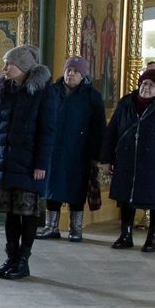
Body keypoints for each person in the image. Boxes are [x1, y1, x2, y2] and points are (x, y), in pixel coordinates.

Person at [0, 44, 53, 279]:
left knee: (28, 213)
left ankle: (23, 260)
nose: (4, 68)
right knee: (10, 214)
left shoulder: (42, 93)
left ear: (22, 66)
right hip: (6, 161)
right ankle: (11, 257)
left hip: (30, 164)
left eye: (9, 64)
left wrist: (41, 164)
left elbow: (47, 131)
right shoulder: (3, 90)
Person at [103, 67, 155, 251]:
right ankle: (125, 235)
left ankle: (153, 238)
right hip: (127, 161)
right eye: (144, 83)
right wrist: (107, 159)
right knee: (126, 199)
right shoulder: (126, 104)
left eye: (151, 85)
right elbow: (112, 132)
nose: (146, 88)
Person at [37, 55, 106, 242]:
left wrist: (97, 154)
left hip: (80, 152)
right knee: (52, 188)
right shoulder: (52, 91)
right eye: (69, 70)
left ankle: (76, 228)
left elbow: (99, 127)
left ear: (83, 75)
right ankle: (51, 226)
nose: (71, 74)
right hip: (54, 149)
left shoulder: (92, 96)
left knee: (77, 190)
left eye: (76, 71)